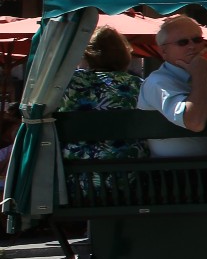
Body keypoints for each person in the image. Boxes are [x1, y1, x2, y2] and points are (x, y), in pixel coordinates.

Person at [56, 26, 147, 161]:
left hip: (78, 176)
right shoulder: (139, 85)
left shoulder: (70, 82)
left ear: (88, 55)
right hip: (131, 175)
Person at [138, 15, 207, 157]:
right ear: (163, 51)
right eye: (182, 42)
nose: (192, 46)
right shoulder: (158, 82)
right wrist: (199, 75)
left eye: (197, 40)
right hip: (175, 173)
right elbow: (195, 122)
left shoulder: (197, 74)